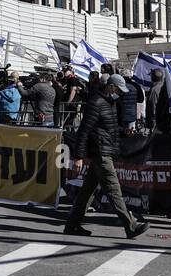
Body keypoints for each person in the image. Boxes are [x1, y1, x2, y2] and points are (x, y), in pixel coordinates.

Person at [64, 74, 149, 239]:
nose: (121, 94)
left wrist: (122, 131)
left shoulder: (109, 103)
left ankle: (72, 225)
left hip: (104, 151)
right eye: (118, 90)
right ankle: (130, 225)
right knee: (114, 189)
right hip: (100, 153)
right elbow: (84, 131)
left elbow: (106, 129)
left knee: (87, 192)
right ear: (111, 87)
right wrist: (78, 157)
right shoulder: (96, 103)